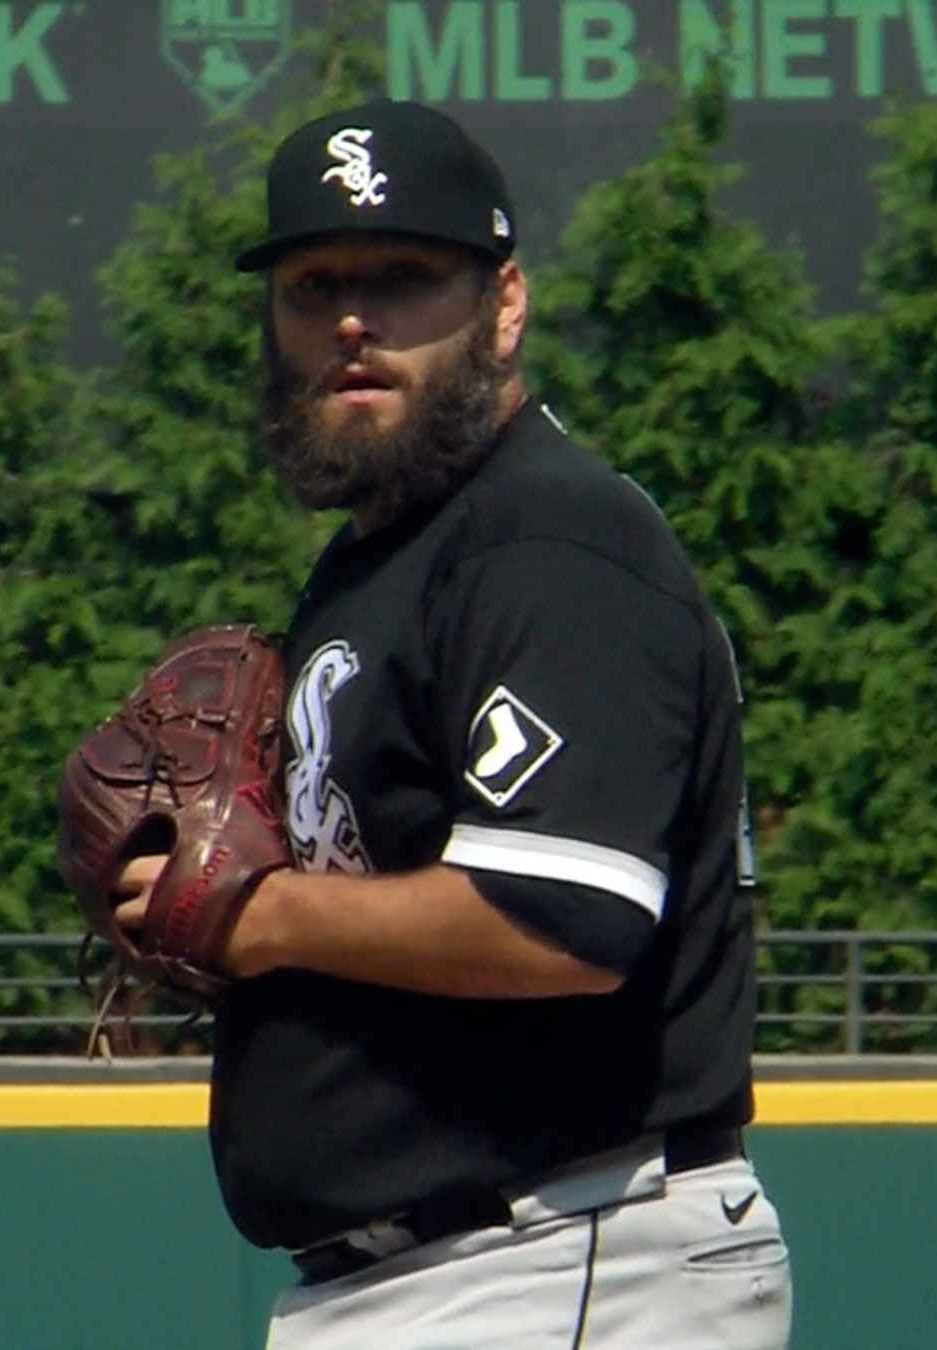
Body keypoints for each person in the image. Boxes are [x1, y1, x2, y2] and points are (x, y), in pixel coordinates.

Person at [115, 98, 791, 1349]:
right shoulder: (378, 565)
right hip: (444, 1273)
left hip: (562, 1253)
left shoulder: (550, 538)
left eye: (405, 276)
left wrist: (255, 915)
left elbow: (564, 917)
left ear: (506, 303)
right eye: (313, 286)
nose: (353, 320)